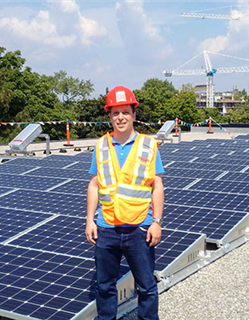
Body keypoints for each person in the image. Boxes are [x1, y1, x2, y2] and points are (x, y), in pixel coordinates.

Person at [86, 86, 165, 320]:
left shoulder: (149, 145)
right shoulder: (101, 145)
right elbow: (94, 185)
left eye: (125, 112)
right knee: (104, 286)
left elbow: (157, 186)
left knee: (147, 286)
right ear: (110, 116)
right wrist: (89, 220)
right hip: (106, 227)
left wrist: (157, 222)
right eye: (115, 113)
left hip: (139, 228)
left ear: (134, 115)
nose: (120, 117)